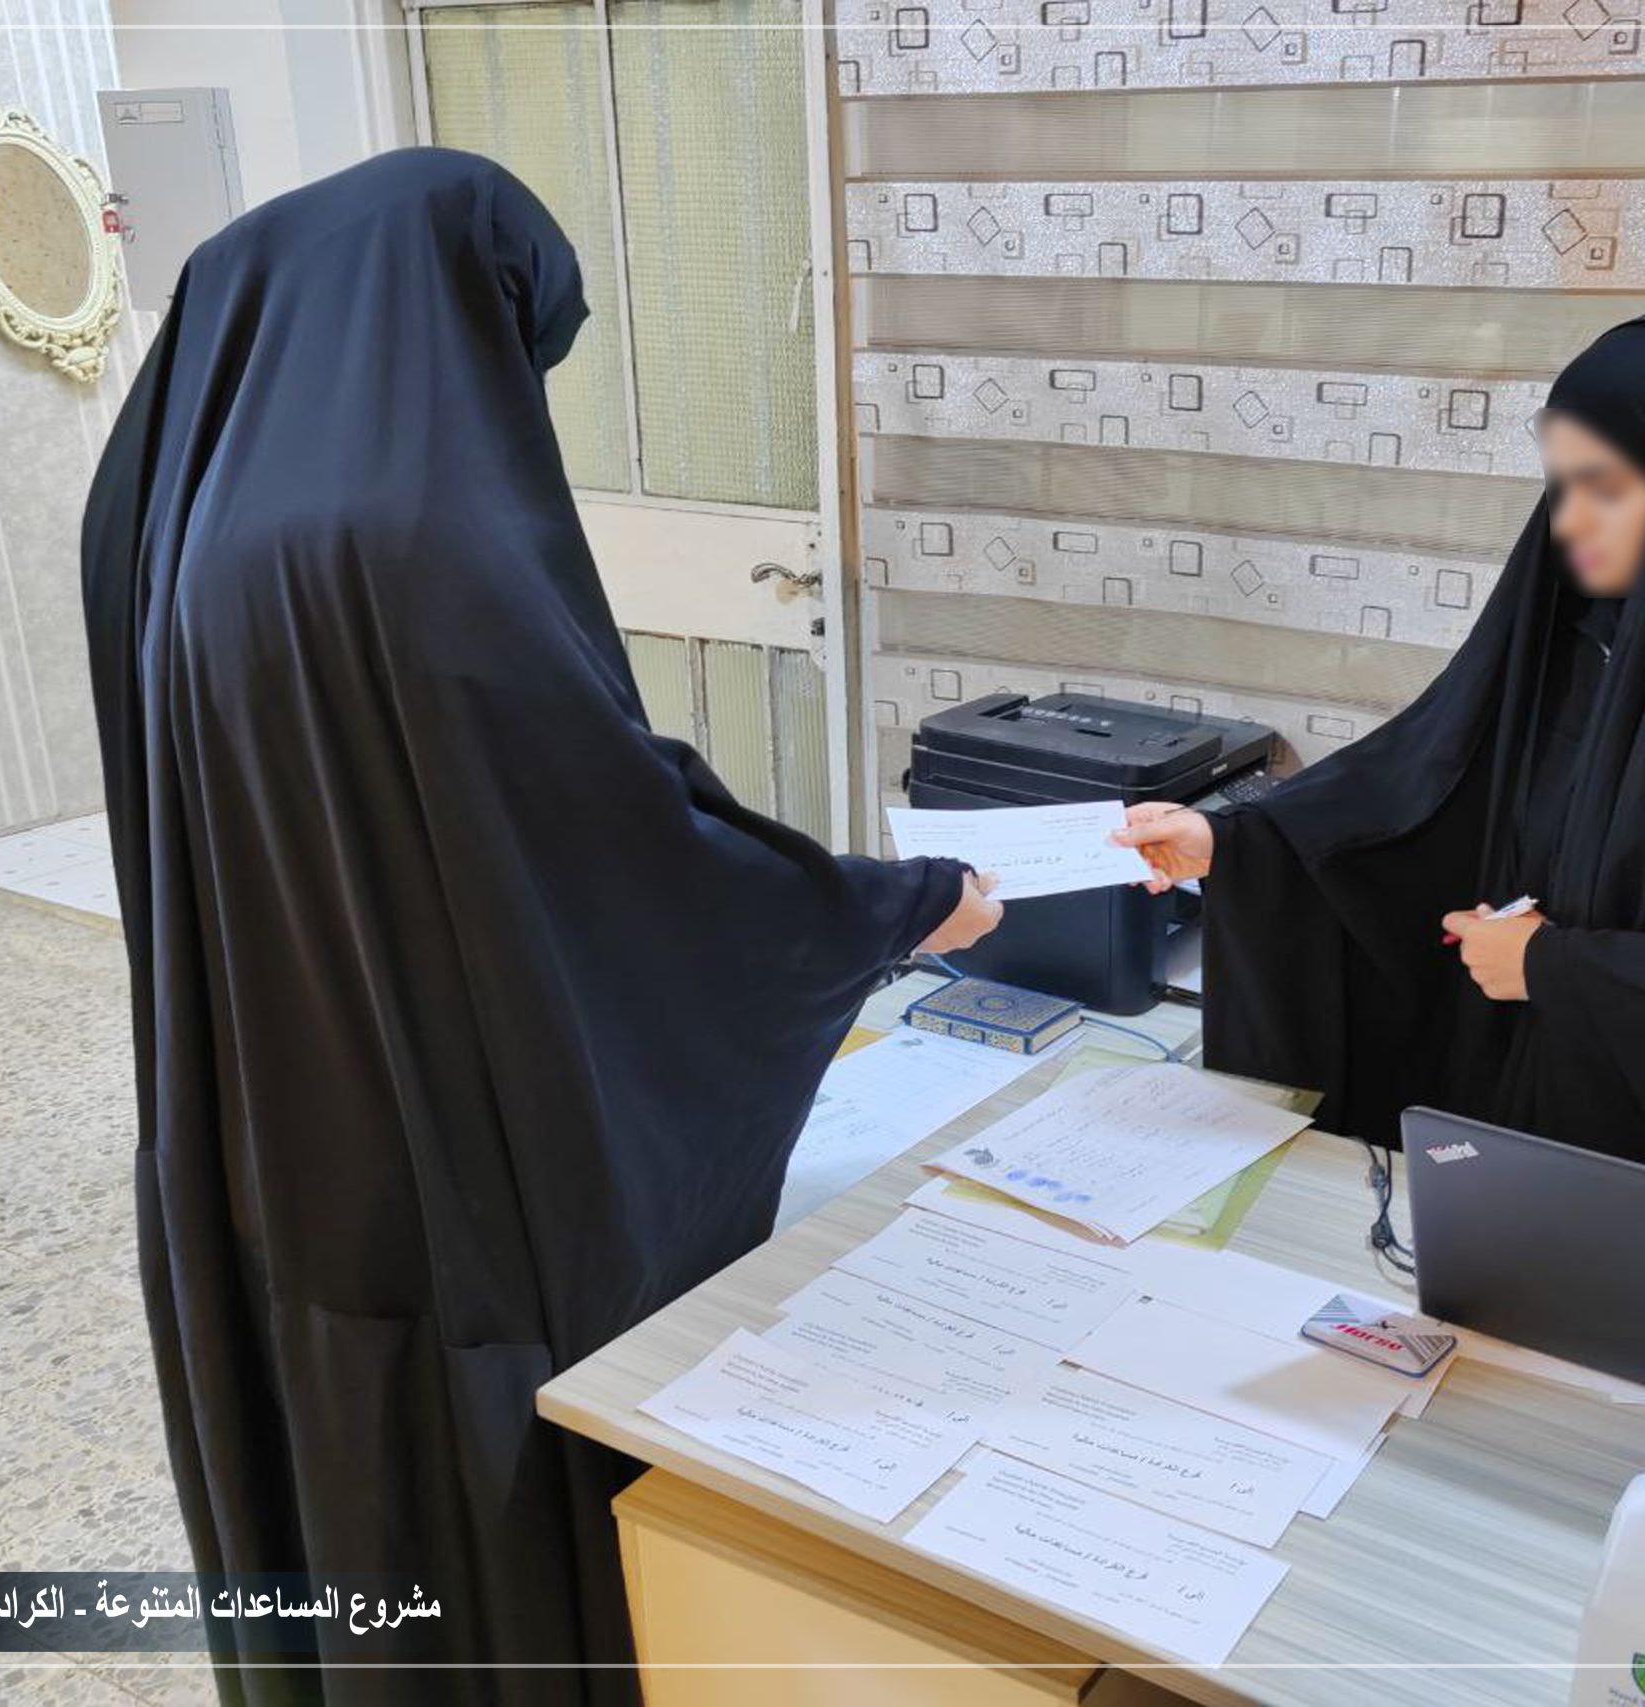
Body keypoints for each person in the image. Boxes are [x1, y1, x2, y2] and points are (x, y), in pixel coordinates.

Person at [80, 149, 999, 1704]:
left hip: (260, 1123)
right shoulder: (412, 536)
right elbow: (618, 848)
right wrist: (897, 902)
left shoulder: (167, 511)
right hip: (444, 1167)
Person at [1115, 307, 1645, 1218]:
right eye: (1558, 485)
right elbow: (1433, 789)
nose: (1567, 521)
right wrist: (1235, 844)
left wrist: (1553, 969)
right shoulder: (1585, 633)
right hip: (1530, 1132)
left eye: (1603, 486)